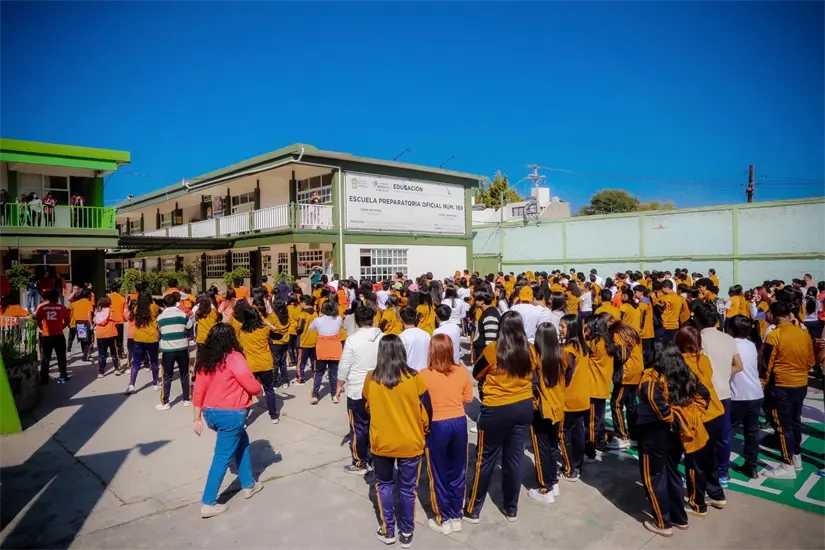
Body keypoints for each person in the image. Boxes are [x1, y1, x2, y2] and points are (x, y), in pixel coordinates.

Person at [465, 311, 536, 523]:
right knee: (513, 460)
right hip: (523, 407)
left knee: (484, 460)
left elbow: (477, 373)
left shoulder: (493, 350)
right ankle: (511, 509)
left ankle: (474, 508)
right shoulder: (530, 350)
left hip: (496, 409)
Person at [363, 335, 432, 548]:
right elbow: (427, 411)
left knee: (383, 485)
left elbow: (367, 407)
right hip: (410, 442)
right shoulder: (415, 378)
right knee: (407, 488)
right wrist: (424, 431)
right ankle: (407, 531)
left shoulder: (371, 379)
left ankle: (388, 529)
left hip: (382, 442)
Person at [637, 342, 710, 537]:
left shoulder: (652, 376)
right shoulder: (685, 373)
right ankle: (680, 518)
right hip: (677, 435)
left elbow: (654, 400)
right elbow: (704, 394)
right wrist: (690, 416)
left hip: (655, 434)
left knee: (653, 477)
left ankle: (662, 522)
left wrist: (671, 417)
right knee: (672, 473)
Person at [192, 323, 265, 518]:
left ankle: (249, 484)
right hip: (231, 414)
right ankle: (208, 502)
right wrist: (259, 391)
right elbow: (249, 382)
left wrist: (196, 417)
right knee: (222, 457)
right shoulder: (234, 357)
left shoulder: (206, 360)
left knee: (243, 443)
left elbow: (198, 390)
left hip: (211, 414)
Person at [419, 334, 472, 534]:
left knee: (438, 472)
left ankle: (443, 516)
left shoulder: (424, 374)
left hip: (437, 424)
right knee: (458, 470)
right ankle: (457, 514)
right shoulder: (461, 371)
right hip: (459, 422)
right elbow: (468, 398)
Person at [760, 300, 815, 479]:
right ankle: (796, 457)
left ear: (774, 316)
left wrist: (762, 385)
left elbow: (766, 365)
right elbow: (810, 362)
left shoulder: (773, 336)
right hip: (801, 384)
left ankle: (787, 464)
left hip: (782, 385)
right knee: (795, 421)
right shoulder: (803, 333)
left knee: (783, 426)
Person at [675, 326, 727, 512]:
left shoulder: (679, 363)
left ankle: (698, 502)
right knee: (711, 458)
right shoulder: (703, 360)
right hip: (716, 412)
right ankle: (716, 495)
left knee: (694, 461)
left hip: (698, 417)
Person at [694, 302, 742, 487]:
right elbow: (739, 366)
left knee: (701, 436)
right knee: (723, 436)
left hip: (704, 396)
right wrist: (722, 372)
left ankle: (703, 472)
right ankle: (723, 472)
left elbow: (696, 367)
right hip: (724, 394)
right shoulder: (728, 339)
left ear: (697, 320)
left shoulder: (699, 339)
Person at [337, 306, 383, 474]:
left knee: (358, 427)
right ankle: (378, 458)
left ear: (356, 321)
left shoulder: (352, 340)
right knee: (376, 426)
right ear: (374, 319)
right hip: (379, 388)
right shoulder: (383, 338)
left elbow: (344, 366)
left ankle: (360, 462)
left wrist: (339, 385)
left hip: (357, 390)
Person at [528, 322, 564, 503]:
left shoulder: (536, 359)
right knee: (551, 446)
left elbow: (532, 384)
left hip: (542, 410)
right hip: (558, 407)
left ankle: (545, 488)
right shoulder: (560, 357)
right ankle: (553, 480)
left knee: (541, 449)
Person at [727, 315, 764, 479]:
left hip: (737, 395)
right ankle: (752, 465)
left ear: (731, 329)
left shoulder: (730, 345)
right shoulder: (750, 344)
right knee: (751, 432)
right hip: (755, 394)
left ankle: (722, 469)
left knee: (726, 431)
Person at [232, 301, 281, 423]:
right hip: (266, 363)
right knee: (269, 389)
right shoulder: (265, 329)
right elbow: (278, 336)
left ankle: (243, 419)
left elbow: (238, 347)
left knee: (246, 392)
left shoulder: (241, 331)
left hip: (250, 365)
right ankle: (274, 414)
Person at [558, 314, 590, 482]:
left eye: (562, 326)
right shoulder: (583, 346)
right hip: (582, 397)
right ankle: (577, 465)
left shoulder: (568, 351)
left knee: (563, 434)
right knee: (578, 434)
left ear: (570, 328)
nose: (560, 329)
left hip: (569, 400)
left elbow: (565, 376)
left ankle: (569, 469)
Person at [608, 321, 644, 449]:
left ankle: (622, 436)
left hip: (626, 374)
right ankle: (634, 436)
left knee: (616, 404)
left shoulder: (617, 335)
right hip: (636, 371)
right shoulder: (631, 333)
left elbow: (622, 354)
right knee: (631, 405)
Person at [584, 314, 614, 462]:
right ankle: (601, 445)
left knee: (591, 422)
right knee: (599, 419)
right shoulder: (607, 340)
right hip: (602, 386)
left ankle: (591, 451)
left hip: (592, 386)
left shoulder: (594, 343)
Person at [309, 300, 344, 404]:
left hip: (322, 348)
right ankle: (334, 395)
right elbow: (341, 326)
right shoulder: (338, 319)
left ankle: (315, 395)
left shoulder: (318, 320)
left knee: (319, 372)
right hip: (335, 348)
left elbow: (311, 329)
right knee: (334, 373)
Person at [126, 290, 161, 395]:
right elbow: (161, 313)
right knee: (154, 362)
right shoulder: (154, 307)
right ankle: (155, 383)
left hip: (138, 338)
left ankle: (132, 385)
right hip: (152, 338)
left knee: (136, 363)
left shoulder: (136, 308)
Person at [36, 290, 70, 384]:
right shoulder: (62, 307)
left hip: (46, 336)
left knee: (46, 357)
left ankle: (44, 379)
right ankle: (63, 375)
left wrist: (42, 328)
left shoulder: (42, 308)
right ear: (57, 298)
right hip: (58, 335)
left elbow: (38, 321)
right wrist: (61, 327)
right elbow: (67, 320)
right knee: (61, 356)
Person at [94, 296, 121, 378]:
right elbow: (118, 319)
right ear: (109, 303)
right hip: (111, 334)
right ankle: (116, 369)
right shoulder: (111, 311)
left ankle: (100, 372)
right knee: (113, 352)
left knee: (102, 353)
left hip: (100, 335)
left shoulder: (97, 311)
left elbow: (94, 320)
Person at [295, 295, 318, 385]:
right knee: (314, 360)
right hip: (314, 340)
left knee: (301, 361)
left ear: (304, 303)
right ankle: (315, 374)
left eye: (300, 303)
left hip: (304, 341)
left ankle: (300, 377)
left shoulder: (303, 314)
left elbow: (300, 328)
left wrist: (296, 329)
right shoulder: (315, 313)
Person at [399, 306, 431, 372]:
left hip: (410, 376)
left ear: (401, 319)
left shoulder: (402, 337)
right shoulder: (426, 334)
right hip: (425, 374)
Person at [268, 299, 290, 388]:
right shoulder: (286, 315)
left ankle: (275, 381)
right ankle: (285, 381)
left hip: (275, 341)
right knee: (283, 362)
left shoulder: (272, 316)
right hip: (285, 341)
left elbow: (267, 327)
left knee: (275, 363)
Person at [68, 288, 94, 361]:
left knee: (83, 340)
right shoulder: (88, 303)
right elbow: (89, 314)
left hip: (78, 322)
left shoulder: (77, 303)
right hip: (86, 322)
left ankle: (84, 354)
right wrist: (91, 325)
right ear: (88, 295)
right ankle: (85, 357)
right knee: (88, 340)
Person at [109, 283, 127, 360]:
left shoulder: (108, 298)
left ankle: (113, 353)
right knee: (119, 339)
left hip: (110, 321)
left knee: (111, 338)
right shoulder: (122, 298)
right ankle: (120, 353)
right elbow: (125, 311)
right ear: (118, 289)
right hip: (119, 321)